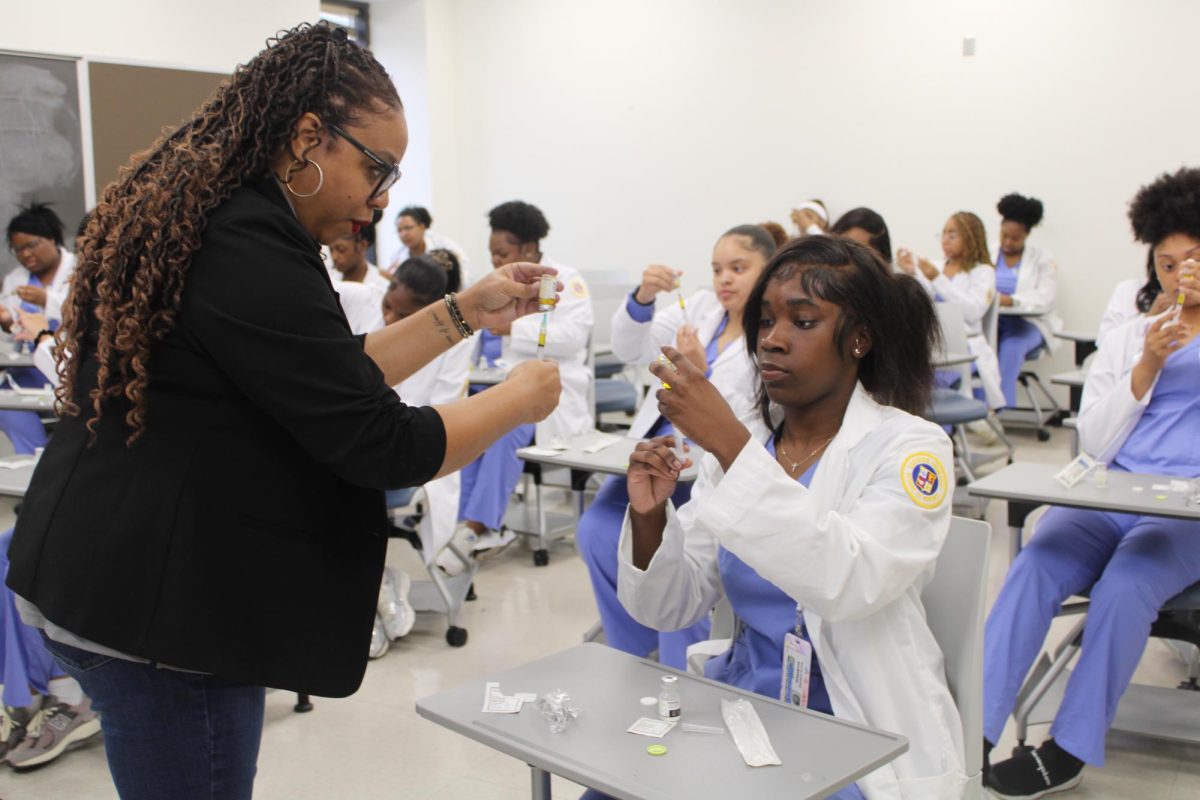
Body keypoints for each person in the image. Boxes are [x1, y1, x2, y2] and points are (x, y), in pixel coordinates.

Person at [5, 23, 561, 800]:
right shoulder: (247, 240)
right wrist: (520, 398)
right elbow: (382, 443)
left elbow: (323, 373)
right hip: (157, 609)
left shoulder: (221, 213)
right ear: (308, 137)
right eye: (376, 169)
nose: (382, 199)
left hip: (108, 568)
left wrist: (464, 313)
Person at [605, 235, 964, 799]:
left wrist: (728, 443)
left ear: (860, 339)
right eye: (765, 321)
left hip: (852, 726)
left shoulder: (911, 448)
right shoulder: (751, 450)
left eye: (802, 322)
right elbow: (670, 606)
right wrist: (651, 521)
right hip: (746, 701)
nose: (771, 340)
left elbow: (850, 580)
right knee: (611, 787)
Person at [983, 167, 1200, 799]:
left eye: (1193, 260)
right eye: (1165, 264)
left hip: (1184, 511)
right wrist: (1146, 366)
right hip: (1114, 491)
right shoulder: (1133, 336)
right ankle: (973, 723)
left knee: (1127, 586)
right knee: (1035, 564)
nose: (1179, 274)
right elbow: (1098, 439)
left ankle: (1071, 747)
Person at [575, 225, 774, 669]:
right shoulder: (700, 309)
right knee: (596, 531)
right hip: (660, 454)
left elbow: (752, 422)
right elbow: (630, 348)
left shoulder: (772, 337)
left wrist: (701, 378)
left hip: (709, 468)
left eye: (738, 269)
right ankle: (630, 644)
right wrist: (643, 298)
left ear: (768, 271)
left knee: (687, 555)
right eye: (718, 269)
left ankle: (676, 662)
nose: (725, 279)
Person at [454, 200, 593, 558]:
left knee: (502, 424)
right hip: (499, 385)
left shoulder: (566, 280)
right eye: (492, 254)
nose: (496, 262)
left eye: (502, 253)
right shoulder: (494, 284)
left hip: (549, 396)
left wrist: (513, 329)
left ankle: (479, 526)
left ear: (528, 249)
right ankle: (462, 525)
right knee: (464, 428)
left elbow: (574, 336)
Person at [369, 250, 473, 658]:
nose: (390, 322)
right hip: (368, 437)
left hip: (416, 446)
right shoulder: (366, 316)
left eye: (403, 316)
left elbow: (441, 413)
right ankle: (379, 587)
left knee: (349, 486)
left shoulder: (455, 341)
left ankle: (370, 596)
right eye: (387, 309)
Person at [899, 211, 1005, 410]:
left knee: (933, 376)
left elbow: (973, 312)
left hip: (966, 345)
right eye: (943, 234)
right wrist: (912, 273)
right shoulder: (938, 266)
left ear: (971, 238)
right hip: (935, 340)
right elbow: (925, 302)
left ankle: (945, 422)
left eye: (952, 235)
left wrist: (937, 279)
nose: (945, 240)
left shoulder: (983, 272)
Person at [1, 204, 77, 454]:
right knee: (6, 406)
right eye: (18, 249)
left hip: (67, 369)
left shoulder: (79, 270)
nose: (25, 255)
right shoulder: (15, 279)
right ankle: (34, 456)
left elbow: (84, 313)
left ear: (52, 239)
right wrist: (6, 321)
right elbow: (14, 327)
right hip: (26, 374)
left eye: (31, 245)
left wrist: (46, 300)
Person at [991, 193, 1064, 407]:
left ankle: (997, 409)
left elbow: (1046, 296)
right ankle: (974, 409)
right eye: (1004, 235)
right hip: (994, 322)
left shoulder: (1042, 258)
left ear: (1026, 235)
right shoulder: (988, 252)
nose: (1007, 242)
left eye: (1015, 238)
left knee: (1011, 346)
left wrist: (1011, 300)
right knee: (975, 347)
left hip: (1026, 325)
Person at [1096, 249, 1173, 342]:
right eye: (1169, 266)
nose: (1179, 274)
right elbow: (1104, 341)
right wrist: (1148, 319)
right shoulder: (1127, 291)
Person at [392, 206, 471, 281]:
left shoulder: (445, 246)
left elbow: (464, 276)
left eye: (408, 228)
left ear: (422, 227)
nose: (403, 234)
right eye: (399, 230)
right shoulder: (397, 256)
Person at [329, 221, 390, 292]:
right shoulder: (328, 280)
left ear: (362, 245)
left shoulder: (381, 288)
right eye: (331, 250)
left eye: (341, 250)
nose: (334, 257)